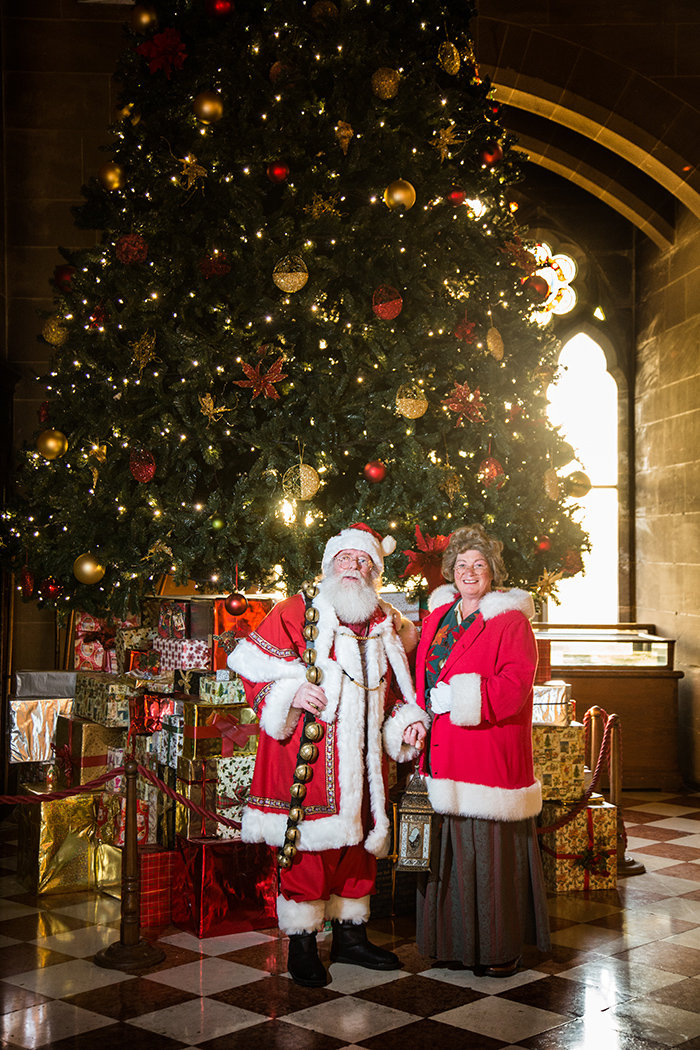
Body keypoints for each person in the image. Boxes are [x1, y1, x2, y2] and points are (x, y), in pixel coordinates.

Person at [229, 522, 429, 987]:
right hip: (308, 760)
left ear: (375, 572)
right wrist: (292, 693)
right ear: (329, 565)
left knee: (358, 848)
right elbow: (252, 670)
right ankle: (302, 944)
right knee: (309, 850)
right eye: (345, 559)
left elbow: (398, 692)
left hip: (365, 764)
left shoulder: (385, 623)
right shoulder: (298, 611)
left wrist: (409, 720)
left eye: (364, 562)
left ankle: (351, 938)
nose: (353, 569)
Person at [414, 523, 550, 977]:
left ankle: (497, 949)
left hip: (487, 755)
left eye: (479, 564)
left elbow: (515, 688)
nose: (470, 572)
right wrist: (417, 717)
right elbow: (422, 682)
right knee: (448, 855)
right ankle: (450, 946)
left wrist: (461, 697)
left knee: (489, 855)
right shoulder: (436, 619)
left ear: (493, 571)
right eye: (461, 564)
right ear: (450, 570)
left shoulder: (510, 621)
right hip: (443, 753)